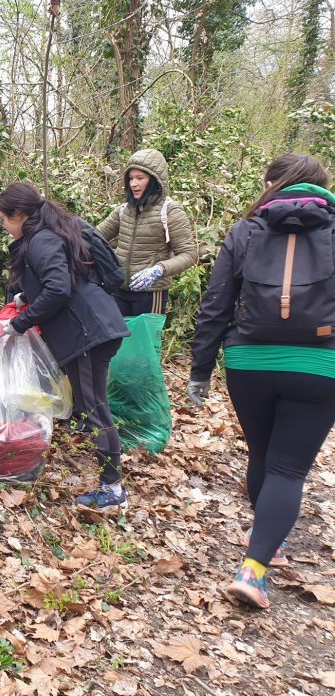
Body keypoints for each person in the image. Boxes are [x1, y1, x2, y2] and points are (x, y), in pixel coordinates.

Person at [189, 154, 335, 609]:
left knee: (263, 454)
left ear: (273, 183)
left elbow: (216, 304)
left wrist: (200, 369)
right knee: (288, 468)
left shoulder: (245, 230)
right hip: (320, 366)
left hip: (249, 361)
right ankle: (255, 569)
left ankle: (267, 536)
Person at [0, 183, 131, 511]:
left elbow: (59, 289)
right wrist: (25, 299)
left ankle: (112, 490)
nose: (3, 225)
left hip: (86, 333)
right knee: (92, 405)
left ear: (18, 215)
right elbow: (58, 280)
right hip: (90, 328)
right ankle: (110, 482)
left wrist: (19, 324)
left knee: (96, 408)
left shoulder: (41, 240)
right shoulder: (46, 234)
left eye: (3, 218)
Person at [96, 148, 198, 316]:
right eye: (130, 178)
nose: (133, 184)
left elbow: (188, 254)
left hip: (151, 293)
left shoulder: (170, 211)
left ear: (154, 180)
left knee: (145, 341)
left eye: (140, 178)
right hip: (119, 290)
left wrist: (159, 270)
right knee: (118, 341)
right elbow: (95, 237)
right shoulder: (123, 211)